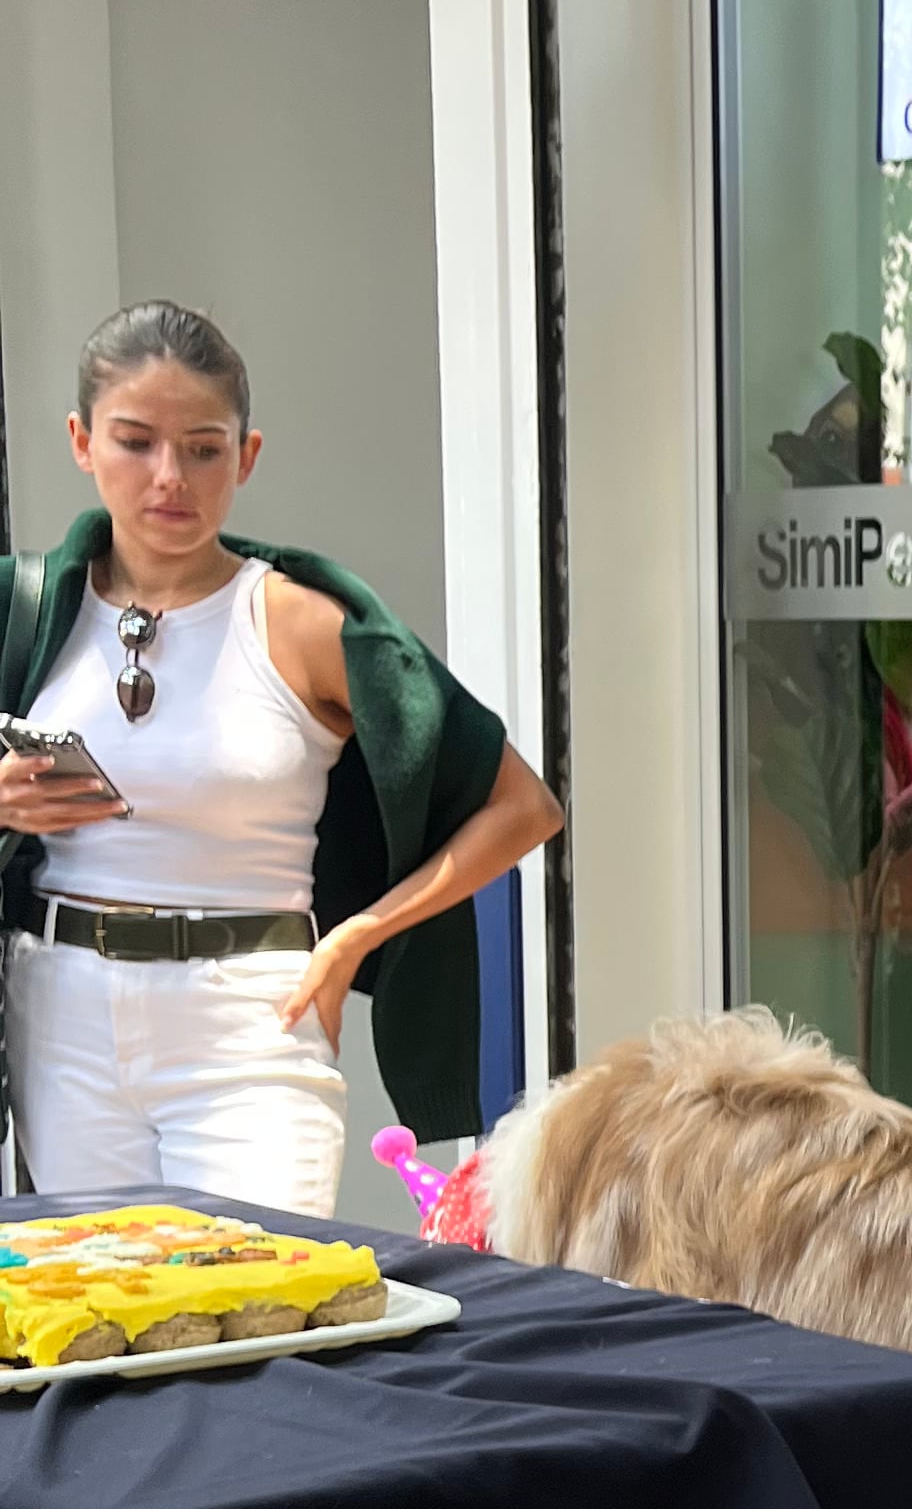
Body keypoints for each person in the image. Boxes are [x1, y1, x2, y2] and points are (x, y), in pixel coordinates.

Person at [0, 301, 561, 1211]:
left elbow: (524, 805)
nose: (169, 476)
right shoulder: (25, 608)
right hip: (61, 1015)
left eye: (204, 448)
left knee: (259, 1288)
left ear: (247, 456)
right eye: (135, 442)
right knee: (103, 1291)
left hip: (251, 1017)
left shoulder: (299, 621)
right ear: (81, 441)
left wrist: (357, 937)